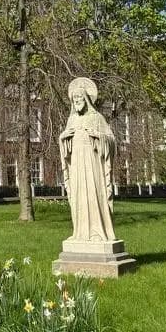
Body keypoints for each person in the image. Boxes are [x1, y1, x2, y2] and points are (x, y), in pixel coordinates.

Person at [59, 77, 116, 242]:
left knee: (93, 194)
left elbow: (111, 140)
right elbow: (65, 147)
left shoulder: (97, 118)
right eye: (74, 99)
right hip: (76, 163)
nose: (77, 101)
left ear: (86, 99)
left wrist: (98, 136)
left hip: (92, 163)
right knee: (78, 196)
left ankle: (97, 231)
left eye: (79, 98)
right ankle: (80, 232)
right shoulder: (72, 119)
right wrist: (63, 138)